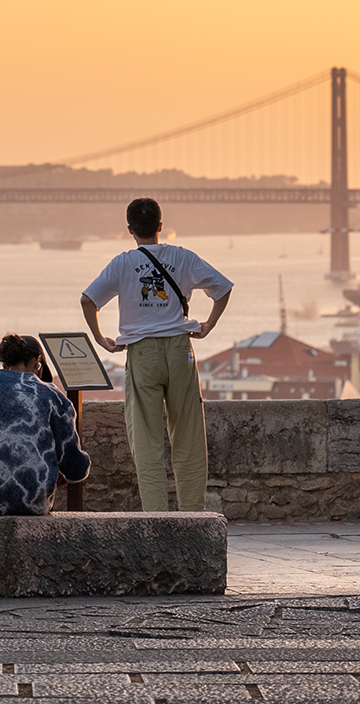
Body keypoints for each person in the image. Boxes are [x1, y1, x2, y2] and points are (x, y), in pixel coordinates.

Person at [80, 198, 232, 512]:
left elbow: (87, 301)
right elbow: (223, 288)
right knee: (188, 436)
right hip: (179, 349)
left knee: (146, 440)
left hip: (142, 352)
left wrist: (102, 340)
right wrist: (207, 326)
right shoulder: (183, 257)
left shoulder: (122, 263)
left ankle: (156, 516)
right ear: (161, 226)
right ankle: (192, 515)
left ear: (130, 230)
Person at [0, 334, 90, 516]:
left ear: (4, 360)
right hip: (34, 502)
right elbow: (75, 470)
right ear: (38, 361)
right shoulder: (53, 396)